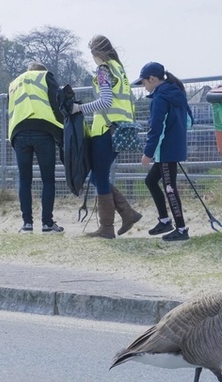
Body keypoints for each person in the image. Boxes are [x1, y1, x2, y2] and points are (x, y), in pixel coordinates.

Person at [71, 35, 142, 239]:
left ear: (95, 53)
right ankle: (127, 213)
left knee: (99, 176)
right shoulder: (119, 69)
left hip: (106, 129)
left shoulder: (103, 70)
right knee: (97, 175)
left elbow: (105, 101)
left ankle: (107, 227)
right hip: (121, 129)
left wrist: (79, 108)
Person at [134, 62, 194, 241]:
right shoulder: (177, 94)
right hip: (172, 149)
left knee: (170, 188)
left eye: (144, 83)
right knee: (151, 181)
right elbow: (190, 122)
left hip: (166, 151)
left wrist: (148, 153)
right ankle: (165, 221)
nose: (144, 87)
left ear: (152, 79)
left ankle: (181, 229)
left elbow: (156, 129)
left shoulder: (160, 99)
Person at [8, 61, 64, 234]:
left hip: (19, 132)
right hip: (43, 130)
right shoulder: (45, 76)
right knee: (48, 179)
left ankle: (27, 224)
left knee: (25, 180)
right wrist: (62, 130)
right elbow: (57, 103)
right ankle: (47, 223)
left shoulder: (14, 83)